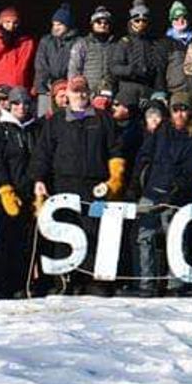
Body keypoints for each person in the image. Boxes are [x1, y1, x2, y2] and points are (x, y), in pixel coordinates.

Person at [31, 75, 127, 295]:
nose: (80, 95)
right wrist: (38, 179)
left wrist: (115, 178)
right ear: (68, 95)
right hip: (62, 183)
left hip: (94, 185)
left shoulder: (103, 119)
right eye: (75, 91)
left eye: (84, 91)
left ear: (89, 94)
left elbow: (115, 150)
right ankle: (63, 280)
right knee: (63, 231)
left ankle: (92, 280)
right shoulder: (55, 121)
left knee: (92, 231)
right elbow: (42, 154)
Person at [128, 97, 192, 297]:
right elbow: (144, 157)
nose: (180, 114)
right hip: (152, 190)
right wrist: (135, 185)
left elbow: (191, 170)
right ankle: (145, 282)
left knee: (175, 237)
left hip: (177, 196)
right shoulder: (160, 132)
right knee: (143, 236)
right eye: (176, 109)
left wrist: (176, 192)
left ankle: (175, 283)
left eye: (184, 109)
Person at [0, 84, 41, 299]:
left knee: (25, 242)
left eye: (26, 103)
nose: (21, 107)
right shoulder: (0, 128)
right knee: (3, 240)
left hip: (29, 191)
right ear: (9, 104)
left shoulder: (35, 129)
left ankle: (21, 283)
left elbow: (40, 158)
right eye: (17, 103)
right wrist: (5, 188)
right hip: (7, 192)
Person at [110, 0, 168, 108]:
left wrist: (160, 91)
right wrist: (131, 70)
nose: (141, 23)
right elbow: (114, 67)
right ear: (131, 22)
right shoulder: (124, 42)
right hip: (127, 89)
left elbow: (158, 69)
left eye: (144, 20)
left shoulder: (153, 43)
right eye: (137, 20)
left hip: (147, 90)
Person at [34, 3, 79, 117]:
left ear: (68, 25)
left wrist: (70, 85)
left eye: (59, 24)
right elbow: (41, 65)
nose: (55, 27)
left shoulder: (78, 42)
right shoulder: (46, 41)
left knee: (70, 118)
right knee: (45, 118)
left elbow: (77, 65)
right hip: (47, 88)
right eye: (54, 24)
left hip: (69, 86)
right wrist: (45, 85)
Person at [70, 6, 117, 94]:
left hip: (111, 91)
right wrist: (76, 91)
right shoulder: (82, 44)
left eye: (106, 23)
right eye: (98, 22)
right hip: (88, 92)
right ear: (92, 24)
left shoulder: (116, 45)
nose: (102, 25)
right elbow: (74, 69)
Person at [163, 1, 192, 101]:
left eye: (183, 18)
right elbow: (160, 70)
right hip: (174, 91)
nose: (180, 21)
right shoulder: (165, 42)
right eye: (176, 19)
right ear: (171, 20)